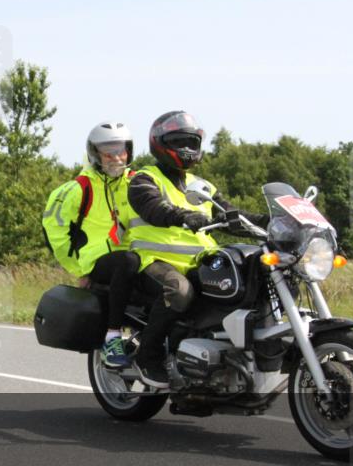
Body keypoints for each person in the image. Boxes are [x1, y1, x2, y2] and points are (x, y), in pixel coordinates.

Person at [123, 111, 266, 388]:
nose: (186, 148)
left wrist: (272, 222)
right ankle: (147, 356)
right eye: (179, 142)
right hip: (156, 261)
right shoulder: (143, 179)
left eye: (191, 142)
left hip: (200, 262)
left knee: (252, 280)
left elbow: (232, 216)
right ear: (160, 144)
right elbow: (153, 208)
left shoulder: (202, 186)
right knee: (179, 291)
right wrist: (184, 216)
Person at [43, 122, 141, 367]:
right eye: (108, 151)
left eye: (121, 150)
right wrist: (79, 270)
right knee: (126, 262)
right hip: (97, 261)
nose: (116, 157)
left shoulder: (137, 183)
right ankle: (112, 337)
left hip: (138, 257)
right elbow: (54, 232)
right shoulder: (78, 188)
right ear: (95, 153)